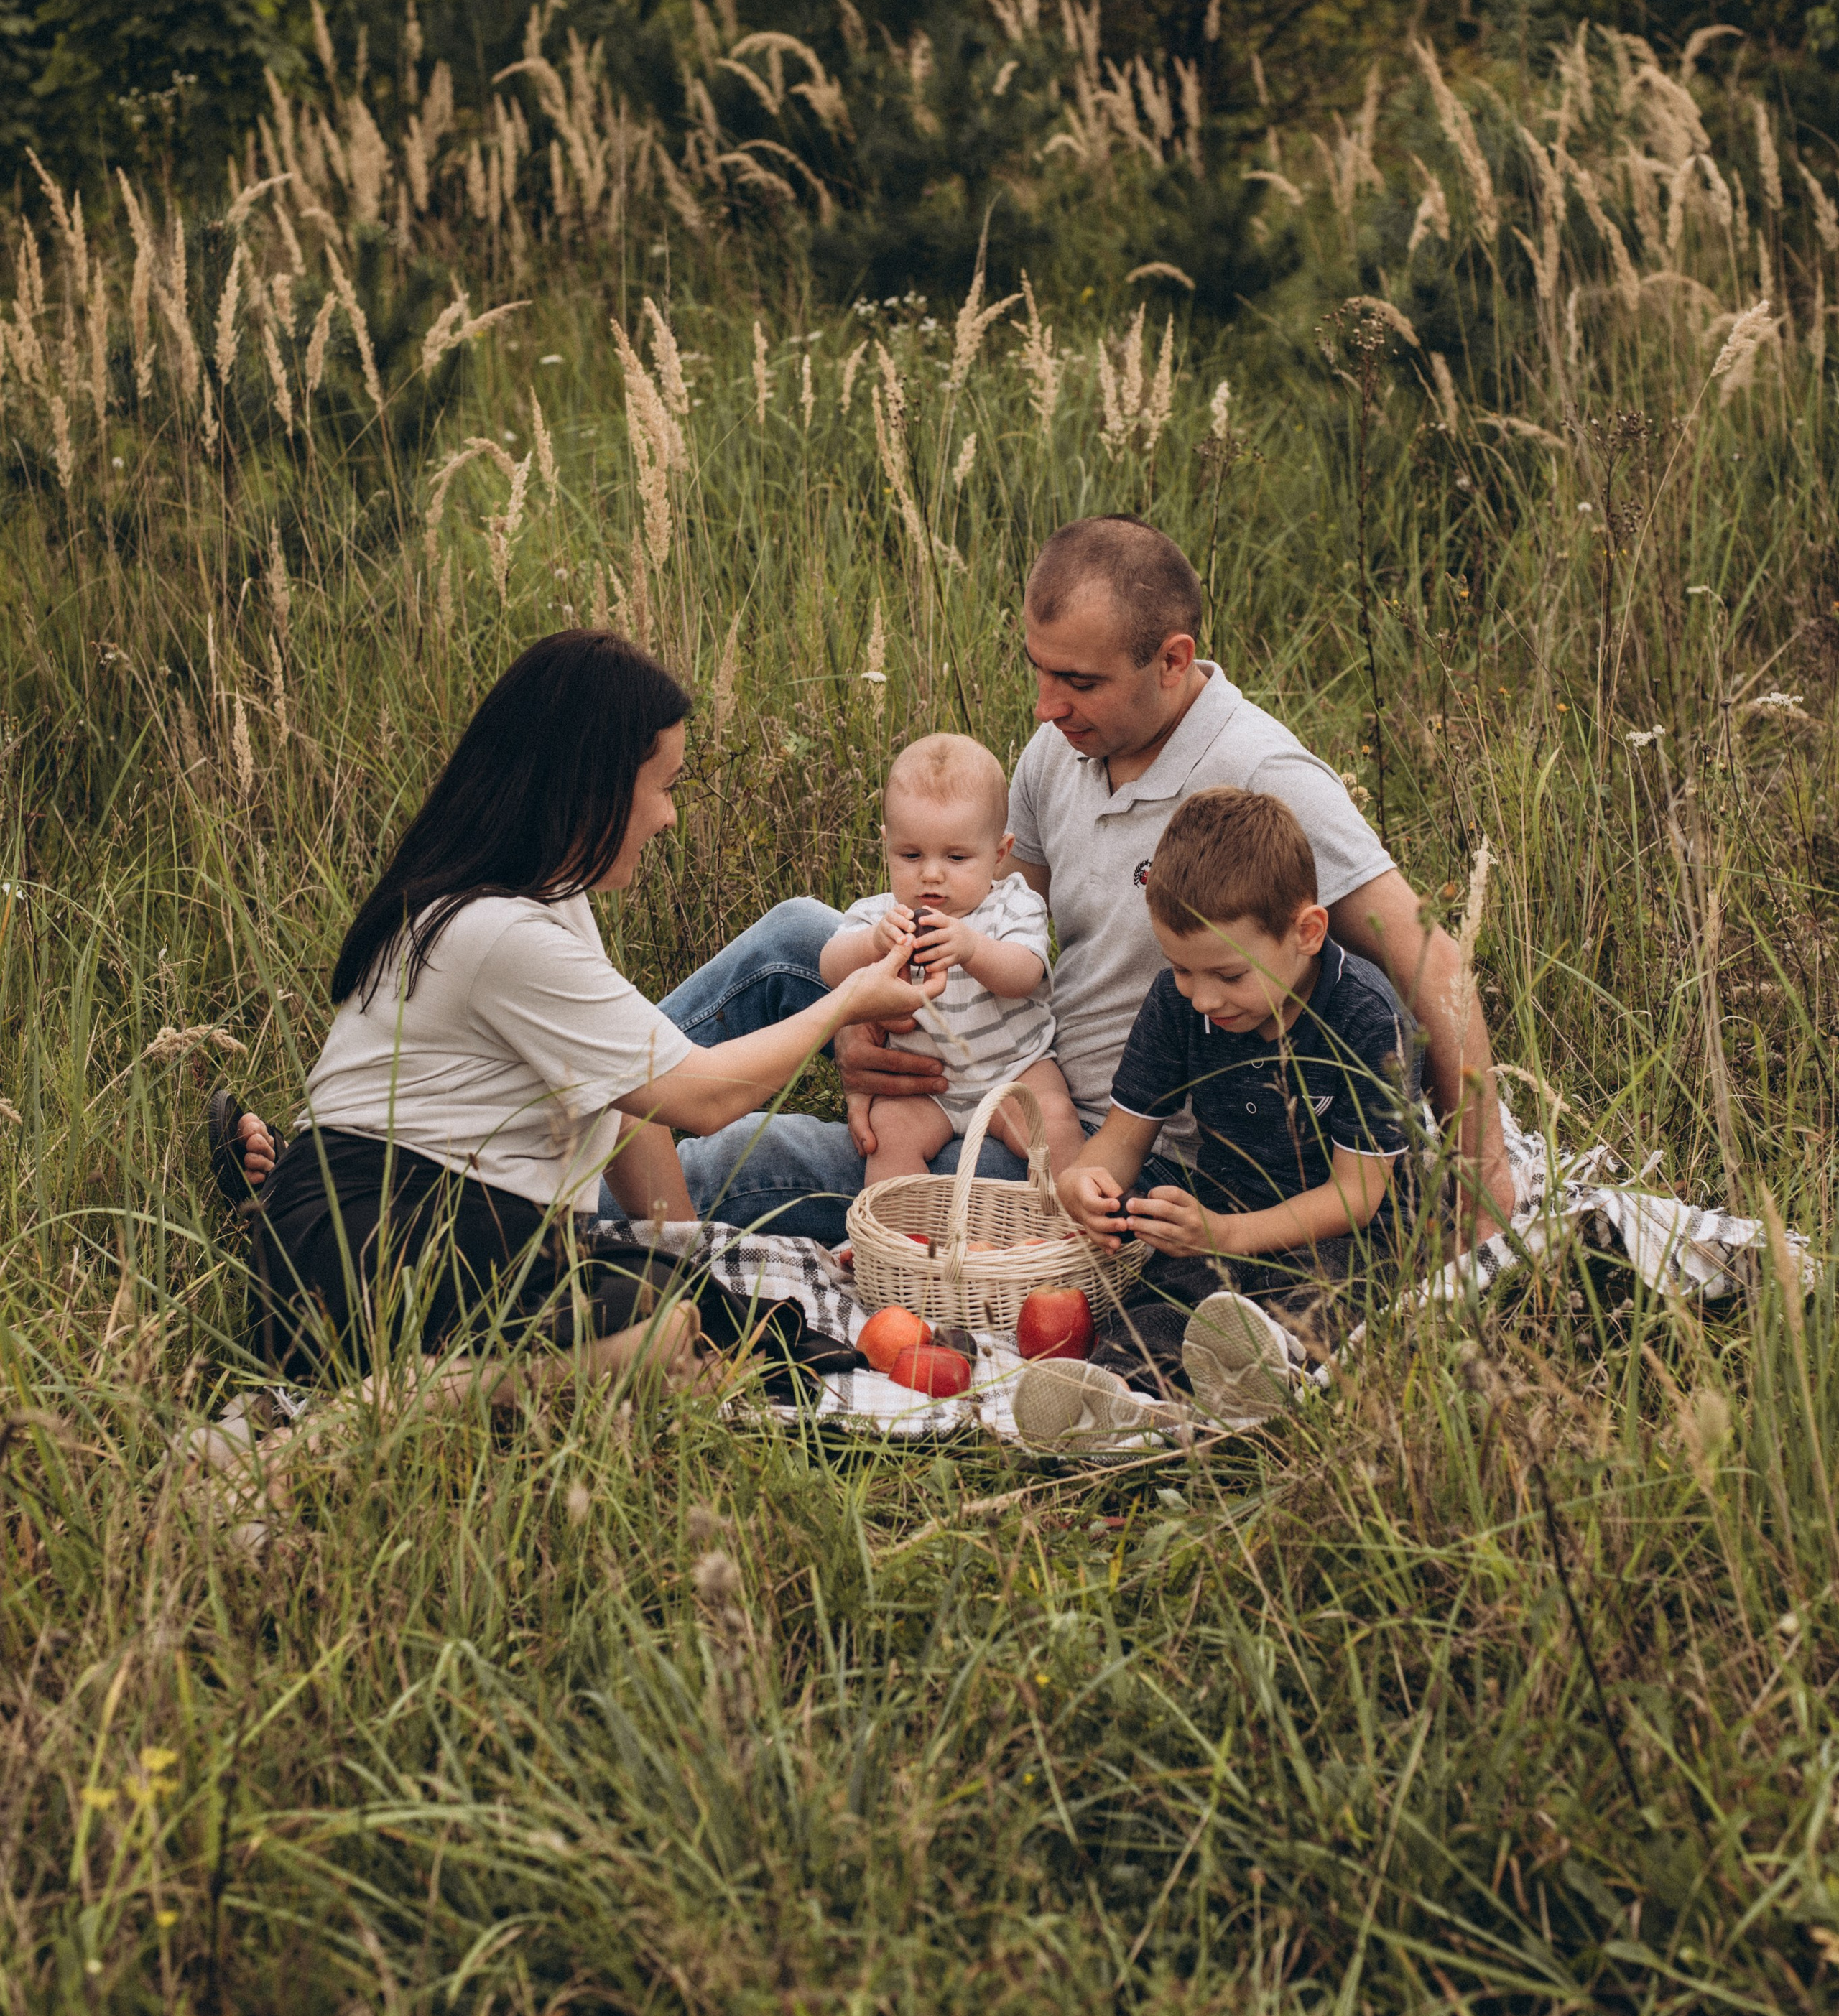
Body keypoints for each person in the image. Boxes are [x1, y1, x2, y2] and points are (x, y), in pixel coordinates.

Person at [664, 517, 1514, 1244]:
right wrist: (867, 1029)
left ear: (1172, 660)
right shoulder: (1061, 748)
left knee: (764, 1162)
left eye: (1077, 681)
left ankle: (607, 1189)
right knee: (795, 935)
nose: (1045, 705)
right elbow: (990, 920)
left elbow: (1429, 960)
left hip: (1123, 1136)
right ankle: (605, 1084)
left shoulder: (1262, 773)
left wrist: (1485, 1175)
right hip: (1016, 1052)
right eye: (1038, 669)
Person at [223, 629, 941, 1411]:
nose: (669, 817)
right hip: (372, 1242)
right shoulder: (499, 932)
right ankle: (395, 1403)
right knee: (665, 1330)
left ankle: (516, 1366)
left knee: (689, 1311)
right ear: (593, 786)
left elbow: (625, 1098)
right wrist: (848, 1001)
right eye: (663, 787)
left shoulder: (544, 897)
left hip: (435, 1224)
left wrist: (680, 1254)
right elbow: (698, 1096)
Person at [1016, 786, 1419, 1451]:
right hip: (1225, 1204)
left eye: (1230, 976)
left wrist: (1229, 1235)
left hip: (1350, 1230)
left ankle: (1264, 1375)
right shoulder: (1180, 1006)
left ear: (1307, 933)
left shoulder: (1365, 1019)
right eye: (1180, 969)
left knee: (1327, 1293)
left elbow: (1358, 1195)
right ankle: (1117, 1400)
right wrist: (1084, 1181)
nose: (1203, 998)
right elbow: (1122, 1139)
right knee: (1163, 1297)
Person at [817, 733, 1085, 1185]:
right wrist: (873, 945)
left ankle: (1068, 1217)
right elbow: (830, 967)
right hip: (925, 1090)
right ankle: (900, 1226)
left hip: (1015, 1072)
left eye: (957, 857)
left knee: (1054, 1124)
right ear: (886, 845)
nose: (931, 874)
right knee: (887, 1138)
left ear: (999, 855)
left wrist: (974, 949)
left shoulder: (1012, 905)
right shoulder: (880, 916)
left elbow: (1025, 974)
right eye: (910, 855)